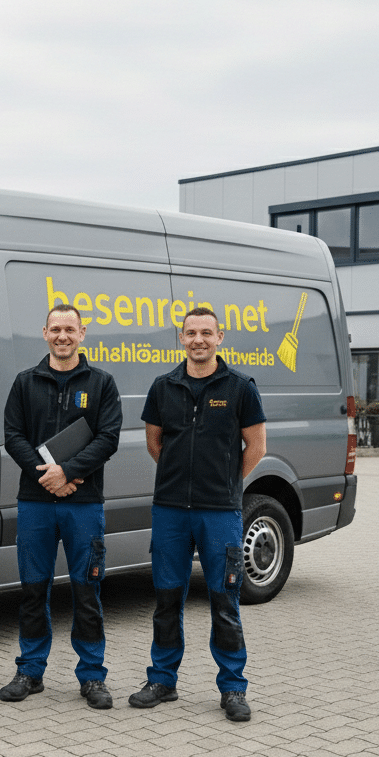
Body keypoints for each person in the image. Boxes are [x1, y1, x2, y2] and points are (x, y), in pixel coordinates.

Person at [129, 307, 267, 721]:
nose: (198, 340)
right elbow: (155, 443)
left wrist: (225, 483)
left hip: (219, 513)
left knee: (224, 600)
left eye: (206, 333)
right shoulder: (163, 387)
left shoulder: (240, 388)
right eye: (191, 333)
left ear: (220, 337)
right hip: (170, 511)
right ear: (182, 338)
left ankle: (233, 688)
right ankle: (162, 680)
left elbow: (256, 447)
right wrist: (180, 479)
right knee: (167, 598)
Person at [0, 304, 122, 708]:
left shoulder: (102, 383)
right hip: (36, 502)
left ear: (82, 333)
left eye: (70, 329)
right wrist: (47, 476)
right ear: (45, 333)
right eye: (56, 329)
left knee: (87, 590)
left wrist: (67, 472)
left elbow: (108, 438)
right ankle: (30, 671)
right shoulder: (25, 382)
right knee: (34, 590)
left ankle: (92, 676)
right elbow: (13, 436)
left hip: (83, 504)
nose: (62, 336)